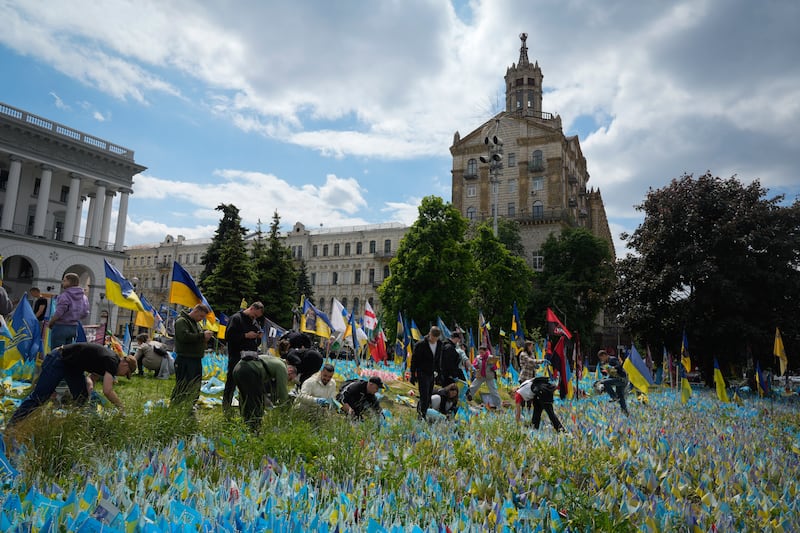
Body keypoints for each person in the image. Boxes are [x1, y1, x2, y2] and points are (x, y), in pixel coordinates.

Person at [8, 342, 137, 425]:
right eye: (126, 373)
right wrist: (121, 407)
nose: (123, 375)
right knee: (40, 397)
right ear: (125, 364)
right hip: (59, 359)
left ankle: (73, 425)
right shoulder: (112, 362)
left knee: (82, 397)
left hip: (72, 366)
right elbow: (107, 391)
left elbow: (93, 375)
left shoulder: (109, 359)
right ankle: (12, 425)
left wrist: (89, 383)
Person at [223, 302, 265, 415]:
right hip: (236, 355)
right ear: (251, 308)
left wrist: (258, 337)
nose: (254, 318)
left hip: (250, 357)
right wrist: (245, 335)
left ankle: (244, 406)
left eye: (256, 317)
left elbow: (256, 342)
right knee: (231, 382)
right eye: (254, 315)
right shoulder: (236, 319)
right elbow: (228, 336)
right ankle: (226, 406)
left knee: (247, 384)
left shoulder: (254, 322)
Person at [232, 352, 289, 432]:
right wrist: (286, 409)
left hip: (237, 369)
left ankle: (244, 424)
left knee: (244, 398)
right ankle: (254, 430)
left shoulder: (271, 360)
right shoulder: (282, 367)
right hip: (249, 371)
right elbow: (282, 391)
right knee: (256, 403)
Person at [170, 304, 213, 408]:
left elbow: (196, 337)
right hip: (185, 358)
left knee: (195, 383)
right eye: (201, 316)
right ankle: (176, 405)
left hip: (195, 358)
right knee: (183, 384)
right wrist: (202, 336)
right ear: (196, 311)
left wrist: (204, 338)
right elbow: (183, 337)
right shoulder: (182, 321)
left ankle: (190, 404)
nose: (201, 319)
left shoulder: (195, 323)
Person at [47, 273, 89, 348]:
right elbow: (85, 313)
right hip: (74, 328)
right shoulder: (84, 297)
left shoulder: (65, 296)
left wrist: (51, 322)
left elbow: (59, 312)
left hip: (61, 327)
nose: (63, 283)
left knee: (57, 352)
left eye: (64, 281)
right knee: (68, 353)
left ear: (69, 282)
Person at [410, 326, 442, 419]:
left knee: (428, 395)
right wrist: (413, 374)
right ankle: (421, 416)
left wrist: (439, 373)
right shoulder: (421, 344)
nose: (434, 340)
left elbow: (438, 359)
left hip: (431, 373)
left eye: (436, 338)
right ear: (429, 334)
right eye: (433, 337)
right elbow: (414, 360)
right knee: (424, 395)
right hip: (422, 372)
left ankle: (422, 411)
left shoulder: (439, 344)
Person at [596, 349, 629, 415]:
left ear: (605, 355)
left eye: (601, 358)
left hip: (621, 379)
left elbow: (619, 366)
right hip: (617, 379)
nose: (602, 360)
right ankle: (625, 412)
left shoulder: (612, 359)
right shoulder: (605, 363)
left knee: (604, 382)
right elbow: (609, 374)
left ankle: (614, 396)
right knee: (620, 396)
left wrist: (612, 367)